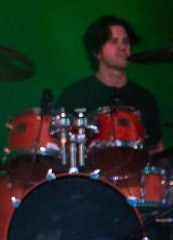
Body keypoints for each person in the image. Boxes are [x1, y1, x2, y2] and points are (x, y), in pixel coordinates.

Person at [56, 14, 165, 164]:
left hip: (134, 182)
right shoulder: (74, 96)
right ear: (96, 51)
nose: (123, 47)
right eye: (114, 41)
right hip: (86, 181)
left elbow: (157, 151)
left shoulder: (145, 98)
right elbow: (57, 147)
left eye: (126, 41)